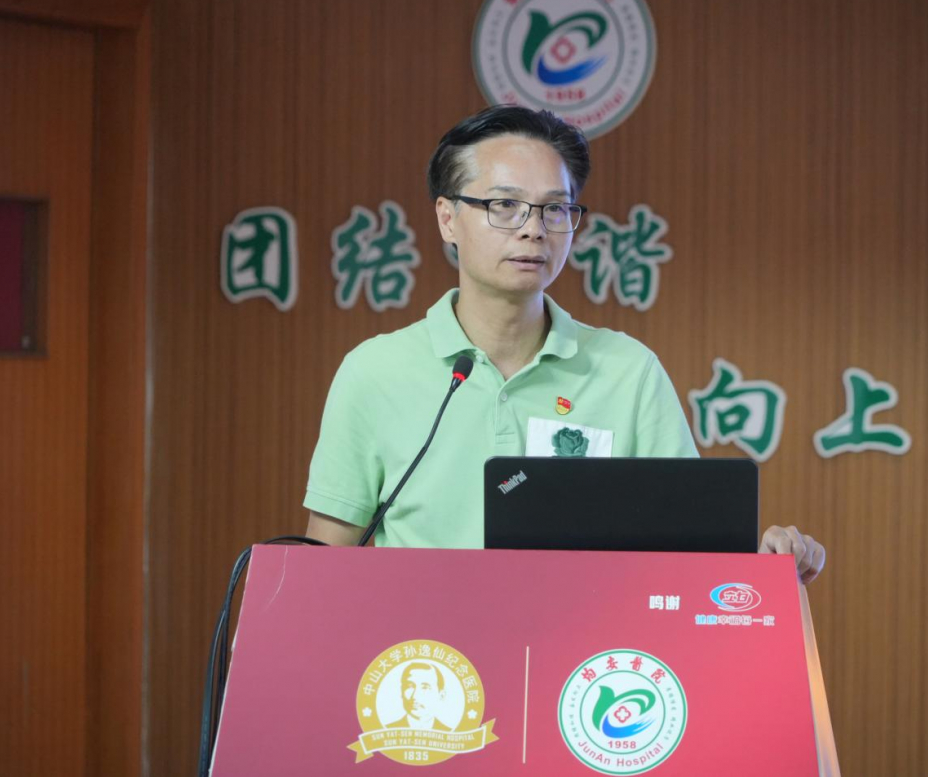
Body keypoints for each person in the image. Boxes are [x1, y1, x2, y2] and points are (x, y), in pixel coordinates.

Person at [303, 105, 826, 585]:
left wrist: (762, 567)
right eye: (505, 205)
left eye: (555, 209)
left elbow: (692, 558)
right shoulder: (374, 371)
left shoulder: (628, 372)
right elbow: (324, 569)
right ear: (447, 217)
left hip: (585, 651)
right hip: (426, 653)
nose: (533, 229)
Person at [386, 662, 452, 731]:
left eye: (425, 688)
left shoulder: (448, 733)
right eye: (409, 686)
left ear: (441, 695)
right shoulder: (389, 730)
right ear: (402, 691)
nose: (415, 696)